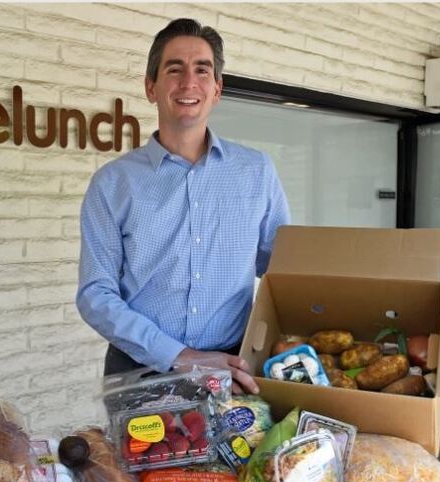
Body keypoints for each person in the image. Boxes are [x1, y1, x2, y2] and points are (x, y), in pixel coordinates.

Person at [76, 18, 290, 394]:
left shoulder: (257, 172)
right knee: (137, 457)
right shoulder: (112, 184)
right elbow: (95, 294)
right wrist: (181, 355)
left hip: (232, 370)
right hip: (141, 373)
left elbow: (284, 271)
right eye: (174, 69)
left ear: (217, 89)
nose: (189, 82)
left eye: (202, 70)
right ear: (150, 87)